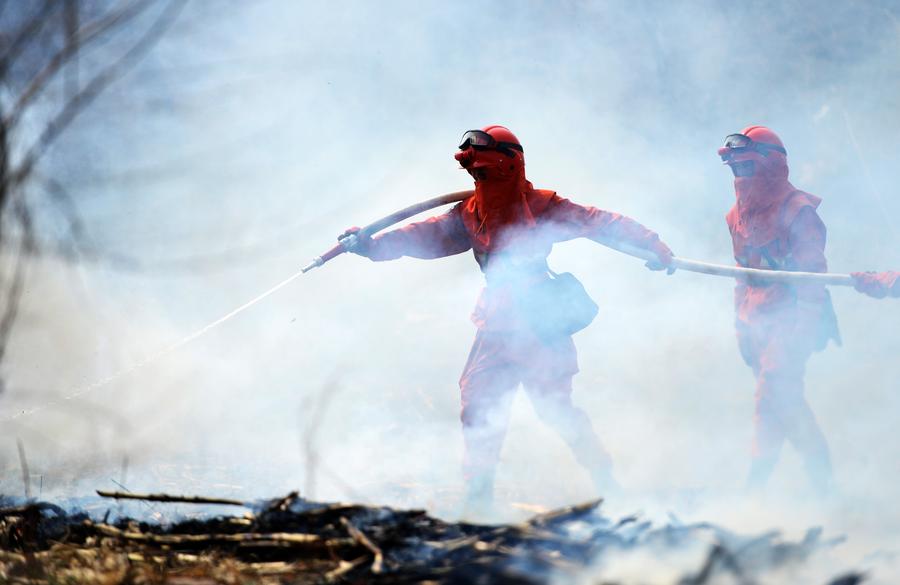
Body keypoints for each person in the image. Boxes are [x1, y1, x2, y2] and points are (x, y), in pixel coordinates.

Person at [342, 125, 674, 515]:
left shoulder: (542, 205)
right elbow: (423, 237)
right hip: (496, 324)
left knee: (556, 409)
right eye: (475, 173)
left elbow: (599, 222)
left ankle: (609, 486)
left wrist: (650, 244)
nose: (478, 177)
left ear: (509, 163)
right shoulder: (468, 212)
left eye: (484, 170)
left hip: (540, 322)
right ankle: (478, 500)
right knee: (478, 408)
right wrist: (369, 245)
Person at [718, 126, 841, 495]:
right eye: (735, 170)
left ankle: (755, 487)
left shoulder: (799, 212)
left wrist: (801, 332)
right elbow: (743, 272)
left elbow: (811, 279)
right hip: (756, 320)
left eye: (747, 169)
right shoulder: (735, 216)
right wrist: (740, 324)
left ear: (769, 168)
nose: (741, 179)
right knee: (784, 400)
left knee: (771, 393)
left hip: (791, 319)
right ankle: (824, 483)